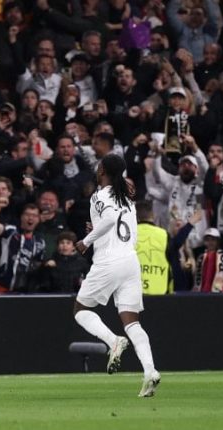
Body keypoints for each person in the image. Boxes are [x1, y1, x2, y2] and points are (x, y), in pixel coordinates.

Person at [73, 154, 160, 397]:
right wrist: (98, 231)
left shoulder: (99, 195)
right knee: (132, 322)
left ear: (102, 171)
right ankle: (150, 371)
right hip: (130, 261)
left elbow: (110, 219)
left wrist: (86, 240)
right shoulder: (127, 200)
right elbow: (130, 233)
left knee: (80, 310)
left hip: (108, 261)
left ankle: (113, 341)